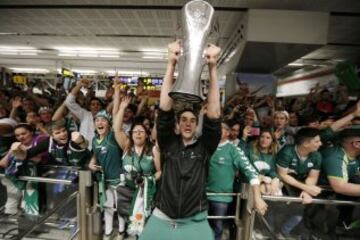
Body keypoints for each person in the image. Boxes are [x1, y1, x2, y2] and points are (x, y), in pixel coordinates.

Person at [207, 121, 267, 240]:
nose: (217, 130)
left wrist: (257, 197)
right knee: (199, 226)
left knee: (217, 228)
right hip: (200, 196)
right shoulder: (204, 146)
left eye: (222, 128)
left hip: (221, 198)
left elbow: (251, 172)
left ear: (228, 132)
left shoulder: (234, 150)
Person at [113, 95, 161, 238]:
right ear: (131, 135)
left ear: (146, 135)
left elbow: (159, 172)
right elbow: (117, 129)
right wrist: (122, 108)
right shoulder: (127, 147)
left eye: (141, 131)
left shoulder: (153, 150)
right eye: (135, 131)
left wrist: (148, 181)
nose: (138, 134)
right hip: (127, 194)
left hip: (146, 195)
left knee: (146, 227)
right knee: (133, 227)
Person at [276, 127, 323, 237]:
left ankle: (284, 232)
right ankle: (266, 231)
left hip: (300, 186)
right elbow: (282, 175)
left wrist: (306, 190)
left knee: (300, 211)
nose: (320, 144)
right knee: (276, 209)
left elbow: (312, 177)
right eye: (317, 141)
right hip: (282, 184)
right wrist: (306, 188)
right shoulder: (287, 151)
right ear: (306, 143)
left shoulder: (317, 155)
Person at [88, 110, 123, 240]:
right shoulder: (94, 140)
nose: (100, 123)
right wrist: (91, 164)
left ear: (109, 124)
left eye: (103, 120)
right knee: (107, 206)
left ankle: (121, 231)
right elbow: (95, 156)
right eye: (97, 120)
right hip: (104, 181)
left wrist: (118, 92)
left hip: (119, 179)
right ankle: (108, 232)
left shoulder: (112, 137)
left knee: (120, 207)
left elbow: (116, 118)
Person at [321, 126, 360, 227]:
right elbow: (339, 186)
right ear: (356, 144)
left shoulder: (356, 154)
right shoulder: (334, 156)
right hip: (320, 196)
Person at [240, 128, 281, 195]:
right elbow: (240, 156)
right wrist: (244, 137)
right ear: (259, 138)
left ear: (272, 141)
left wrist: (275, 178)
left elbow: (272, 170)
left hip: (263, 185)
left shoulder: (272, 155)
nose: (264, 140)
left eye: (268, 138)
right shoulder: (250, 149)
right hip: (248, 183)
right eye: (262, 137)